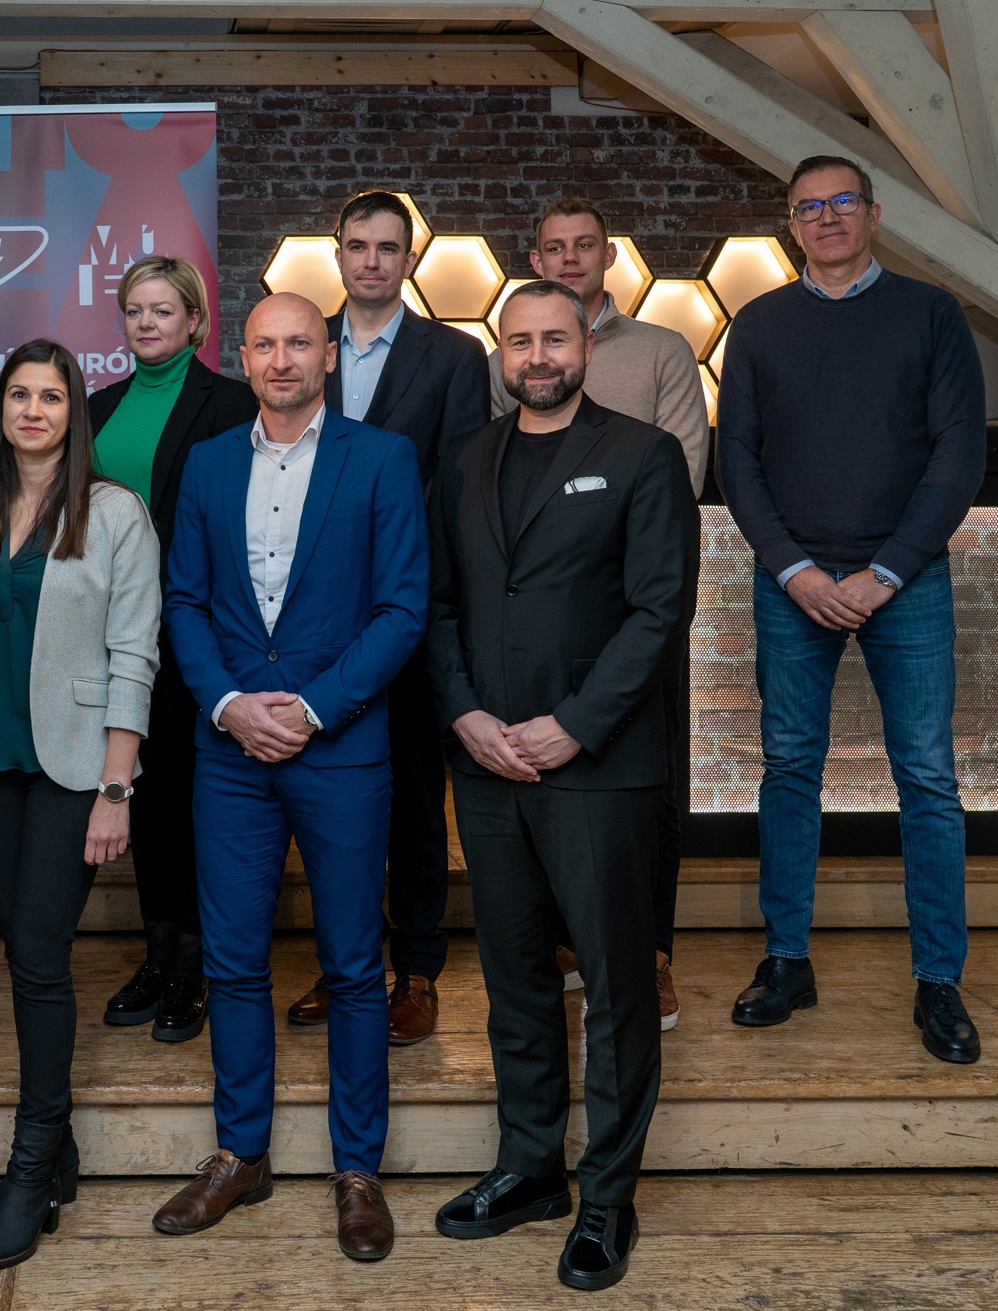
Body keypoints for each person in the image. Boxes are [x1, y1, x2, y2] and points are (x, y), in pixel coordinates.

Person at [425, 279, 696, 1292]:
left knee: (617, 991)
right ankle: (530, 1166)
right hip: (486, 762)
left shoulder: (642, 454)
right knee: (514, 980)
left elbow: (658, 610)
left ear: (585, 343)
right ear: (500, 353)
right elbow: (438, 605)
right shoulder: (465, 458)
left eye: (554, 338)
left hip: (597, 767)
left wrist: (573, 725)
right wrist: (463, 714)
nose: (536, 356)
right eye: (519, 341)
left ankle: (606, 1197)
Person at [152, 292, 426, 1262]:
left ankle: (358, 1169)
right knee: (231, 962)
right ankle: (242, 1153)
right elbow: (183, 601)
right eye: (263, 344)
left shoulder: (381, 458)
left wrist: (310, 710)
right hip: (229, 752)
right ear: (241, 356)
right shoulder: (206, 463)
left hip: (338, 747)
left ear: (328, 354)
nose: (280, 359)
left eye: (298, 342)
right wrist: (229, 704)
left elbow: (401, 609)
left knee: (352, 965)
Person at [718, 155, 986, 1065]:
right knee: (791, 768)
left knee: (929, 779)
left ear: (873, 214)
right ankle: (786, 960)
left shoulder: (932, 314)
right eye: (809, 207)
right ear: (791, 224)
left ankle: (938, 978)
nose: (826, 217)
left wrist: (889, 570)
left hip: (906, 581)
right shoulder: (759, 324)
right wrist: (794, 569)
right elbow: (736, 458)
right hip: (794, 582)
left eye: (842, 202)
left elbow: (957, 453)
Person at [0, 340, 161, 1268]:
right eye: (20, 395)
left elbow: (134, 652)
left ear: (76, 412)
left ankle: (30, 1169)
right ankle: (57, 1154)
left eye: (53, 396)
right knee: (22, 949)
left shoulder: (115, 513)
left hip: (74, 770)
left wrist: (116, 786)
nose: (34, 410)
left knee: (37, 954)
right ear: (3, 410)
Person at [490, 195, 710, 1033]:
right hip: (542, 611)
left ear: (610, 255)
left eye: (585, 244)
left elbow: (681, 469)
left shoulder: (661, 348)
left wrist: (597, 531)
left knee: (648, 789)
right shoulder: (514, 354)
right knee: (544, 778)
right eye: (555, 247)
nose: (570, 257)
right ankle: (568, 943)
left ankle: (649, 955)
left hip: (636, 604)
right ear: (536, 259)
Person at [286, 190, 487, 1048]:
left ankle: (417, 971)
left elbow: (459, 481)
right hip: (312, 611)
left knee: (411, 796)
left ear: (410, 258)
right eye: (358, 245)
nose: (371, 260)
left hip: (405, 606)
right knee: (334, 798)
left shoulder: (455, 355)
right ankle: (347, 966)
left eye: (387, 247)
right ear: (337, 254)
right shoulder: (305, 343)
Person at [89, 255, 256, 1042]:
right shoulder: (97, 407)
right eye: (135, 310)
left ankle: (195, 965)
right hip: (119, 636)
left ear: (195, 321)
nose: (147, 323)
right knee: (146, 800)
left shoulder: (233, 403)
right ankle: (158, 956)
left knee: (196, 803)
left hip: (198, 634)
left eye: (163, 310)